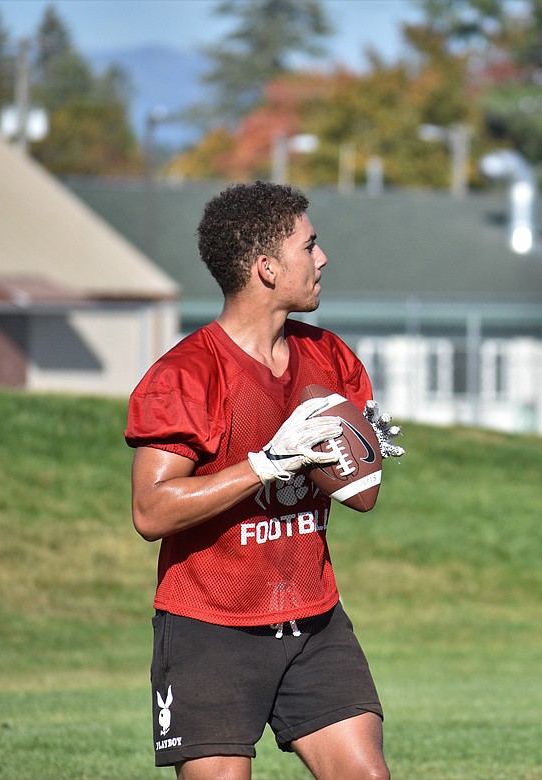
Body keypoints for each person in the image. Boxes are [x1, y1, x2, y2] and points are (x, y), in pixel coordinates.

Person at [125, 181, 402, 780]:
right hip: (211, 627)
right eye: (310, 245)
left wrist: (358, 453)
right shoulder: (185, 374)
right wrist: (269, 462)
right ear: (267, 269)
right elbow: (150, 511)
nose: (322, 258)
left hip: (313, 617)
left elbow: (365, 499)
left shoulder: (330, 358)